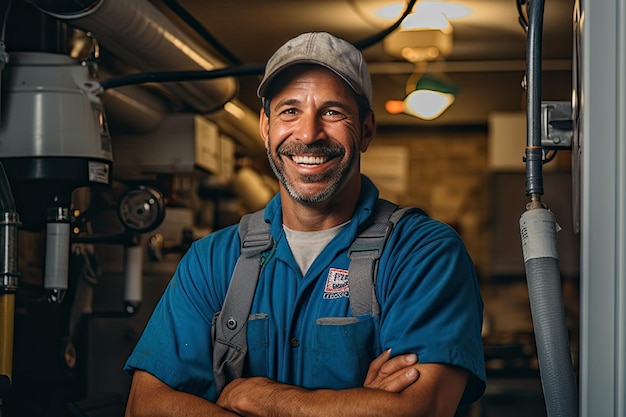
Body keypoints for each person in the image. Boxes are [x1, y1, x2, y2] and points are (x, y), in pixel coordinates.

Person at [123, 31, 486, 417]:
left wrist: (253, 396)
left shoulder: (422, 253)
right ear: (266, 127)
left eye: (332, 112)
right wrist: (357, 405)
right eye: (290, 111)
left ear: (366, 129)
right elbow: (144, 406)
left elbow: (419, 411)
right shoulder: (212, 260)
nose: (309, 134)